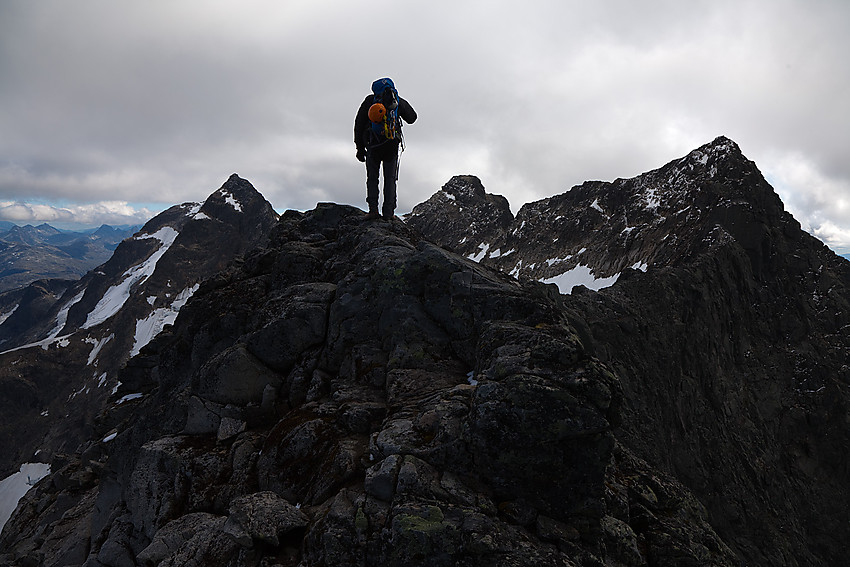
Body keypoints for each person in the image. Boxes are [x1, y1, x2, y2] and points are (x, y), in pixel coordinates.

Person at [354, 77, 417, 220]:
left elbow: (359, 124)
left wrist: (359, 148)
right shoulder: (397, 101)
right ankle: (389, 213)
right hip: (391, 146)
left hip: (373, 145)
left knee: (372, 178)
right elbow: (413, 118)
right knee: (390, 179)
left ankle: (373, 211)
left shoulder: (370, 101)